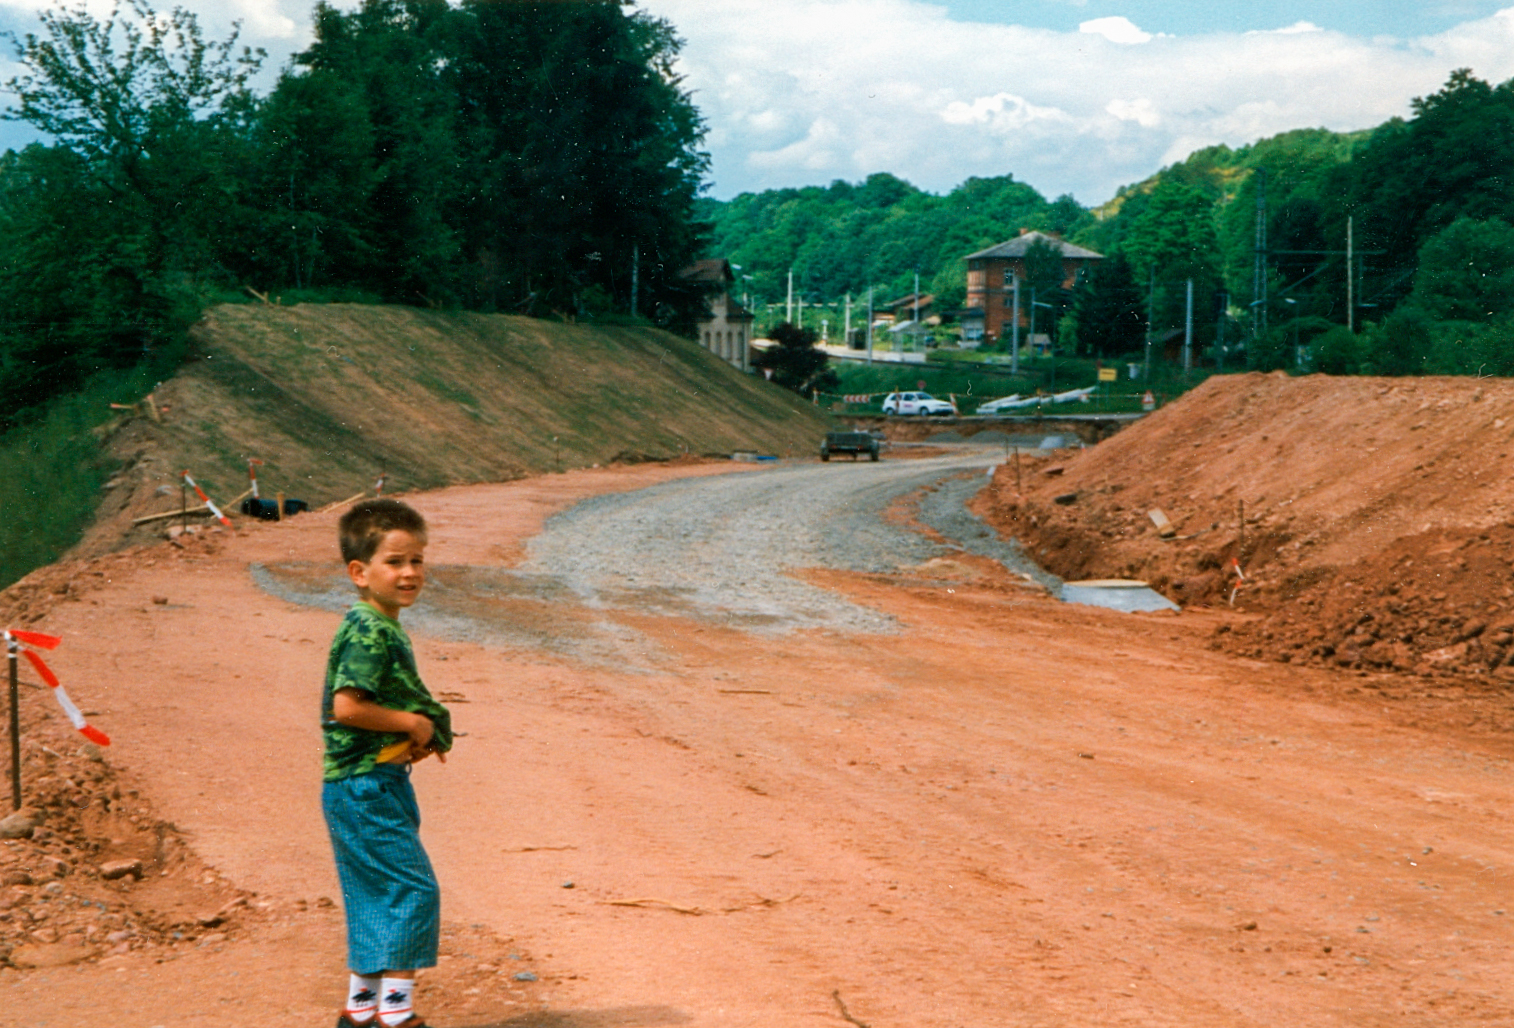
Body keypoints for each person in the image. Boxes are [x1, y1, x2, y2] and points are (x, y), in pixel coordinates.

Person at [321, 498, 453, 1028]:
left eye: (417, 561)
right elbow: (347, 705)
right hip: (365, 786)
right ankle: (396, 1016)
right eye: (395, 562)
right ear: (359, 572)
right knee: (412, 889)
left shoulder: (375, 623)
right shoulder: (371, 629)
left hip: (364, 784)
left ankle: (360, 1012)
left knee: (375, 892)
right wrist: (412, 724)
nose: (410, 573)